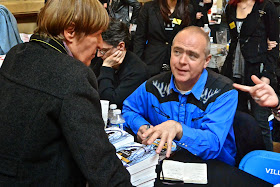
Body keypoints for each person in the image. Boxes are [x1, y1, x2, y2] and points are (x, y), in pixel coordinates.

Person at [0, 0, 131, 186]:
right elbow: (100, 164)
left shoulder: (16, 54)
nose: (101, 44)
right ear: (71, 32)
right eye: (98, 34)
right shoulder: (73, 76)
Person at [123, 26, 238, 166]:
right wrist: (141, 126)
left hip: (212, 168)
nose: (182, 61)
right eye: (177, 52)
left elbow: (213, 144)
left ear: (207, 60)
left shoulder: (224, 92)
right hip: (166, 163)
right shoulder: (153, 86)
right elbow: (129, 109)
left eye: (192, 55)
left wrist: (179, 129)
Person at [221, 0, 279, 151]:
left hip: (257, 73)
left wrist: (266, 75)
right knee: (237, 118)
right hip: (233, 71)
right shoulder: (230, 7)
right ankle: (241, 159)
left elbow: (274, 46)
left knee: (260, 121)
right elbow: (234, 40)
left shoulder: (266, 7)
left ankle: (265, 163)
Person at [91, 19, 149, 109]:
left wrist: (106, 68)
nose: (98, 54)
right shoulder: (102, 58)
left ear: (121, 46)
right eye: (98, 49)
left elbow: (109, 102)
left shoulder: (138, 71)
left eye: (103, 51)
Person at [133, 0, 195, 77]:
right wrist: (137, 62)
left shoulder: (188, 9)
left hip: (177, 60)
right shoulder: (149, 8)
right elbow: (139, 37)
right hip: (152, 59)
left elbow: (189, 38)